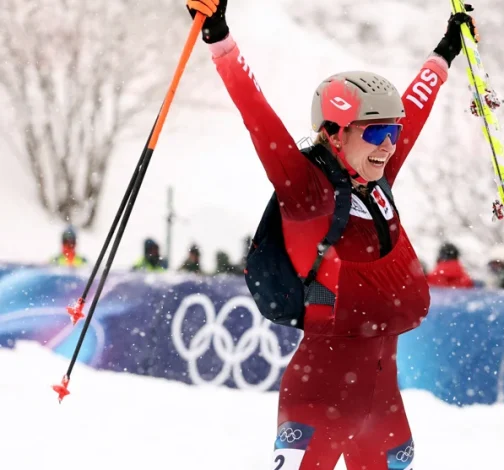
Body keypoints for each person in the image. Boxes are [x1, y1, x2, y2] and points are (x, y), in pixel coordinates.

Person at [185, 0, 476, 468]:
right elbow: (257, 115)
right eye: (376, 132)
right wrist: (220, 36)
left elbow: (415, 110)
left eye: (392, 132)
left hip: (381, 401)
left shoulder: (376, 179)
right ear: (335, 133)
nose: (389, 145)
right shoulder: (305, 189)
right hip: (322, 395)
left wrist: (444, 53)